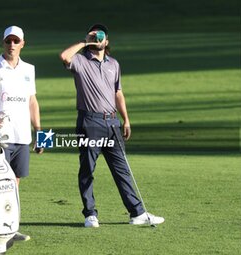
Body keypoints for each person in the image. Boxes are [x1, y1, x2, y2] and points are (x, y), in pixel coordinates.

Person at [59, 23, 164, 228]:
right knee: (88, 168)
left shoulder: (113, 64)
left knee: (122, 169)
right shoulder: (80, 60)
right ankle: (90, 214)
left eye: (101, 36)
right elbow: (64, 56)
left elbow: (118, 93)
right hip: (89, 122)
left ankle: (137, 213)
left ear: (107, 41)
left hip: (112, 122)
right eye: (93, 35)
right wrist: (84, 41)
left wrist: (126, 119)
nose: (97, 39)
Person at [0, 25, 43, 240]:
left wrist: (39, 133)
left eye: (16, 41)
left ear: (23, 43)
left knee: (14, 186)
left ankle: (10, 228)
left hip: (22, 136)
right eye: (8, 41)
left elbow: (32, 102)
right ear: (3, 42)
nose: (12, 45)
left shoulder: (29, 70)